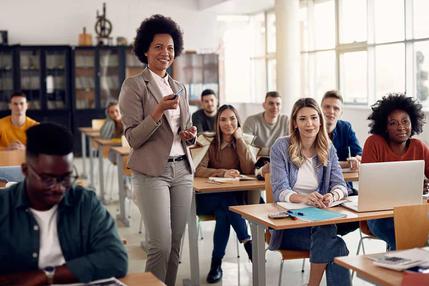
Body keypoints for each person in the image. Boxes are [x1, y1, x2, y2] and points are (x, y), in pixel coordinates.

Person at [118, 14, 197, 286]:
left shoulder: (179, 87)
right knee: (160, 245)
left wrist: (189, 135)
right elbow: (133, 138)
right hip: (153, 172)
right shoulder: (134, 85)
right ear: (145, 50)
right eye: (159, 46)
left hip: (183, 170)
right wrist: (158, 110)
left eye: (171, 48)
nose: (166, 53)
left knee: (176, 246)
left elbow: (184, 129)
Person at [0, 123, 128, 284]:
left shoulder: (84, 202)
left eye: (66, 177)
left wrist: (45, 276)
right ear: (25, 171)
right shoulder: (3, 205)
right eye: (48, 179)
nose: (59, 188)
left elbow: (116, 258)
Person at [270, 98, 350, 286]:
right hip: (290, 226)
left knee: (331, 239)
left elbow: (341, 185)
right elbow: (280, 190)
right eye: (303, 119)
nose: (309, 124)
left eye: (314, 118)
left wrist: (332, 195)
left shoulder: (327, 148)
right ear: (295, 123)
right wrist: (304, 198)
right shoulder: (281, 147)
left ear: (320, 121)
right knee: (335, 243)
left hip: (319, 221)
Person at [195, 104, 255, 284]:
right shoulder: (208, 142)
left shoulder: (243, 141)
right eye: (223, 119)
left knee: (224, 213)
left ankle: (216, 265)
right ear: (217, 123)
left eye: (232, 119)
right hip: (207, 199)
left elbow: (249, 168)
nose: (228, 123)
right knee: (227, 204)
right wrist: (223, 172)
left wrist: (240, 141)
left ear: (237, 121)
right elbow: (199, 169)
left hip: (232, 201)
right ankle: (247, 241)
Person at [362, 93, 429, 251]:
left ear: (413, 122)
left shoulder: (419, 146)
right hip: (378, 216)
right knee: (406, 236)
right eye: (393, 123)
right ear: (385, 126)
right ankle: (406, 271)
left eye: (405, 121)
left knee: (415, 233)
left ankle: (411, 269)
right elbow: (370, 187)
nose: (401, 127)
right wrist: (410, 188)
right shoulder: (374, 143)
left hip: (412, 212)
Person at [321, 90, 362, 236]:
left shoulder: (346, 128)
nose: (331, 111)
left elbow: (360, 154)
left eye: (336, 108)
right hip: (321, 194)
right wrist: (345, 164)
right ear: (320, 109)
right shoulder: (312, 129)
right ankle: (327, 241)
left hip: (345, 192)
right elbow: (320, 163)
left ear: (341, 112)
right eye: (327, 107)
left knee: (365, 208)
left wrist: (357, 159)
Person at [243, 91, 289, 177]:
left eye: (278, 104)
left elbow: (291, 146)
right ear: (264, 105)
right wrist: (275, 150)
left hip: (280, 164)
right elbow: (246, 147)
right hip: (256, 164)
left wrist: (261, 151)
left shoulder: (286, 120)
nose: (275, 107)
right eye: (271, 103)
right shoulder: (251, 121)